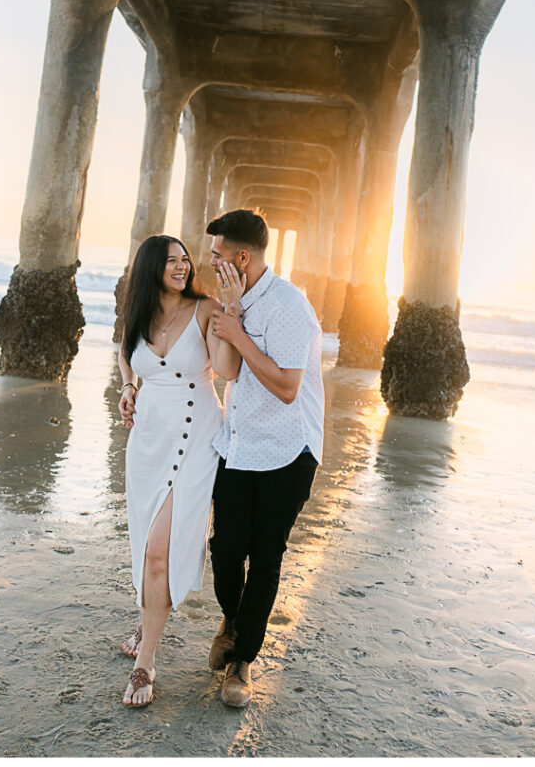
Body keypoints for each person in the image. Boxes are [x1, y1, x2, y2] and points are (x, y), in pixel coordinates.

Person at [117, 234, 243, 707]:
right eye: (171, 260)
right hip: (147, 440)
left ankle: (145, 662)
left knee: (159, 552)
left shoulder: (207, 309)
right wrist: (129, 387)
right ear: (152, 267)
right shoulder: (140, 314)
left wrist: (231, 311)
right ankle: (148, 616)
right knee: (145, 543)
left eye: (185, 259)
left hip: (194, 439)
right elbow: (126, 353)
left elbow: (227, 370)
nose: (182, 265)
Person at [206, 209, 324, 708]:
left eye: (217, 257)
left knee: (265, 556)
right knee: (226, 550)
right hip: (239, 445)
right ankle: (233, 622)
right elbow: (230, 374)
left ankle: (242, 661)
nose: (210, 264)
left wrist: (237, 332)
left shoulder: (289, 306)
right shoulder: (231, 304)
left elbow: (286, 387)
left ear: (242, 257)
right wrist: (230, 317)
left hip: (287, 450)